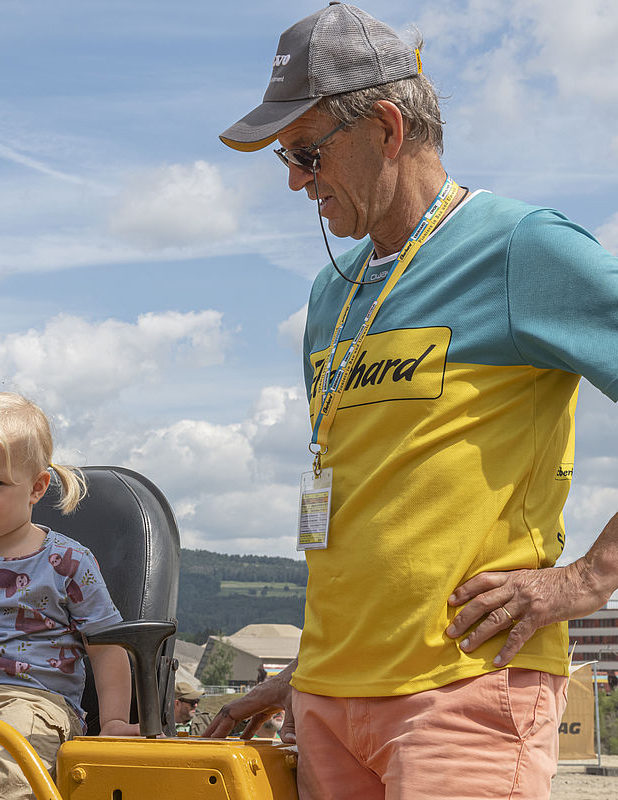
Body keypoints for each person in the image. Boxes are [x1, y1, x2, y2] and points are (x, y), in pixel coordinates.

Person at [204, 4, 618, 799]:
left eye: (306, 151)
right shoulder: (331, 295)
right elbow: (361, 500)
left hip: (465, 690)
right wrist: (308, 668)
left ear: (388, 129)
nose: (294, 178)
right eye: (285, 158)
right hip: (328, 701)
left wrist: (587, 580)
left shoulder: (521, 248)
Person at [0, 392, 134, 799]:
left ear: (37, 488)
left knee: (10, 757)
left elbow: (106, 648)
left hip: (39, 702)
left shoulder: (68, 562)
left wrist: (113, 723)